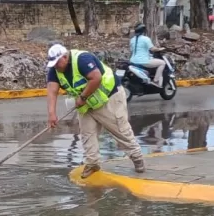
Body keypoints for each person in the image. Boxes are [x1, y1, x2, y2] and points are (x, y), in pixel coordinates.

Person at [46, 43, 145, 179]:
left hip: (109, 97)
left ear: (65, 56)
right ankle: (92, 163)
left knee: (119, 129)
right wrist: (52, 114)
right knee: (87, 133)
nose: (56, 66)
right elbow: (52, 90)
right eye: (53, 64)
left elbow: (96, 77)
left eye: (57, 63)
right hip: (87, 103)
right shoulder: (55, 69)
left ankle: (137, 158)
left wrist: (83, 97)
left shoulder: (82, 60)